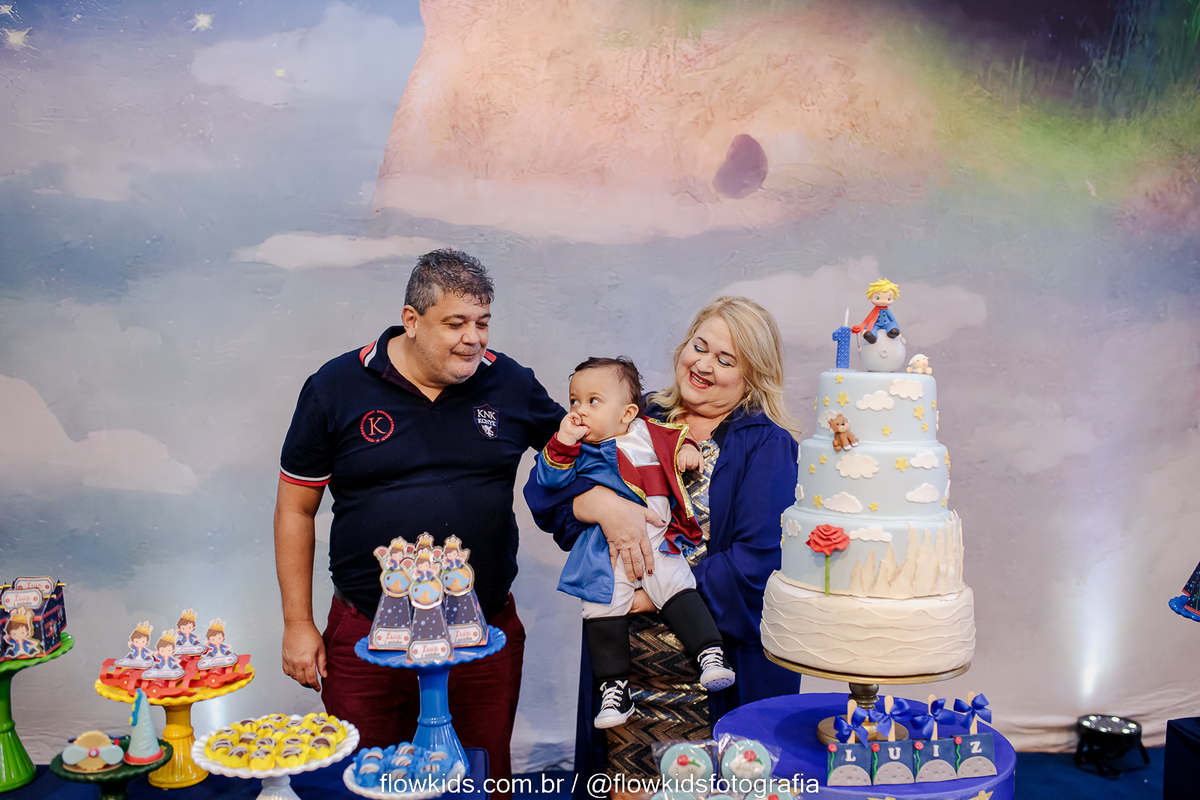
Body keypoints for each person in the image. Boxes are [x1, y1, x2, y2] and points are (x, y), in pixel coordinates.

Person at [273, 249, 563, 792]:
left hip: (481, 634)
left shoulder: (510, 383)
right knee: (369, 783)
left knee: (478, 780)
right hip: (368, 633)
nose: (473, 339)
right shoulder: (336, 387)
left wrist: (613, 503)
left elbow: (574, 459)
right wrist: (297, 622)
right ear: (411, 320)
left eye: (482, 323)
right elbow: (296, 507)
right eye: (455, 324)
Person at [525, 296, 802, 790]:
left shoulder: (767, 444)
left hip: (714, 681)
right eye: (700, 346)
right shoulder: (631, 415)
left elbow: (759, 562)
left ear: (753, 375)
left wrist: (650, 596)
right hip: (626, 682)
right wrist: (601, 505)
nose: (704, 365)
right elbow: (550, 497)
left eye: (726, 359)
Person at [532, 357, 735, 730]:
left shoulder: (647, 431)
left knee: (677, 585)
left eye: (593, 401)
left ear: (627, 413)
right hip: (606, 553)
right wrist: (563, 442)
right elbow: (547, 481)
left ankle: (710, 653)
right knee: (600, 606)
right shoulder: (578, 451)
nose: (579, 410)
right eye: (574, 400)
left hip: (659, 542)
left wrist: (687, 449)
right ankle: (614, 688)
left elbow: (677, 438)